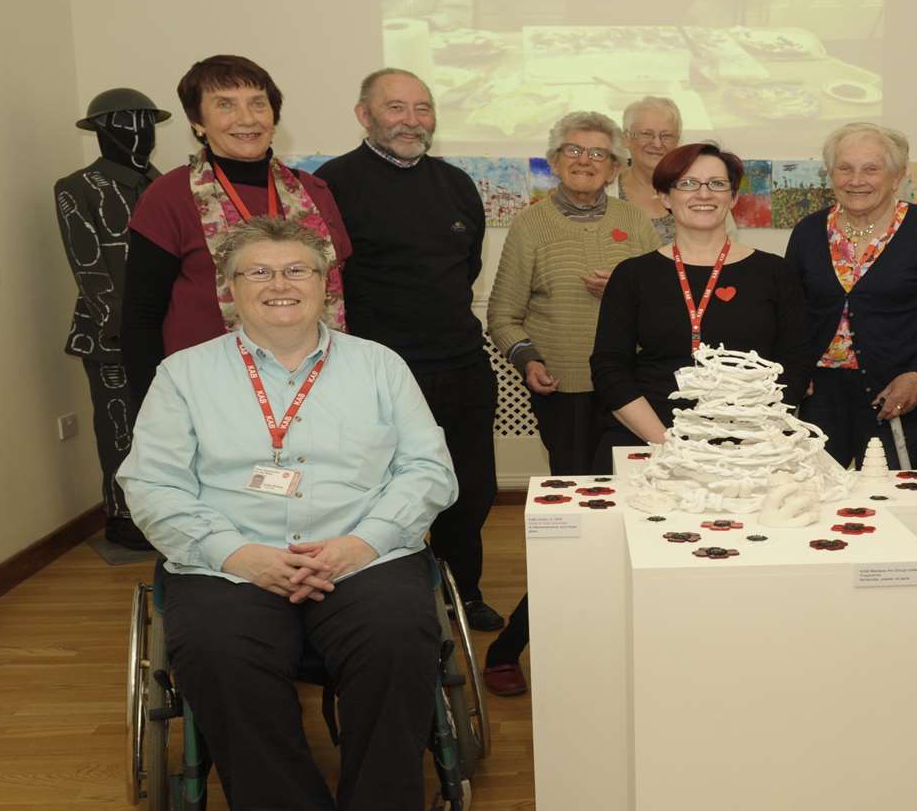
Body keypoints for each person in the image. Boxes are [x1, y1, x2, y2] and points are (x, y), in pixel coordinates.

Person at [117, 216, 458, 811]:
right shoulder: (184, 375)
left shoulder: (378, 366)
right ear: (229, 290)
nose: (280, 285)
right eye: (260, 273)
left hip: (360, 552)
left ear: (325, 283)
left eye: (297, 270)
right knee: (217, 650)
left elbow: (428, 469)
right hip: (230, 558)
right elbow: (151, 485)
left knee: (398, 634)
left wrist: (361, 543)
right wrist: (237, 554)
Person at [316, 69, 504, 635]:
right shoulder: (333, 184)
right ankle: (379, 603)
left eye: (422, 108)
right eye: (396, 107)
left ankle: (460, 593)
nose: (411, 120)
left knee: (469, 492)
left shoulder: (455, 183)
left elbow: (465, 266)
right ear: (363, 114)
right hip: (373, 372)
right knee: (377, 495)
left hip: (461, 364)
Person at [484, 111, 662, 696]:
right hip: (563, 395)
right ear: (555, 161)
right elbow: (503, 315)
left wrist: (629, 292)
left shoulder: (637, 221)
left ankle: (604, 636)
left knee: (631, 516)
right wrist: (527, 359)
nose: (587, 162)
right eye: (573, 152)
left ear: (617, 166)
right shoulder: (532, 225)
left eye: (600, 154)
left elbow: (667, 307)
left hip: (633, 397)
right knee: (579, 520)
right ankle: (515, 644)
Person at [121, 54, 351, 415]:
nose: (247, 119)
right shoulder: (168, 196)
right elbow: (141, 315)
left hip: (315, 387)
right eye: (225, 105)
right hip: (209, 394)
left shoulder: (315, 192)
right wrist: (153, 408)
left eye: (258, 104)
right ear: (197, 121)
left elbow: (340, 286)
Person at [592, 142, 805, 465]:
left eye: (717, 184)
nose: (703, 194)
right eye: (688, 184)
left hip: (754, 441)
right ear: (665, 196)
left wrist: (750, 438)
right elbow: (609, 369)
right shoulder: (633, 275)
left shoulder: (775, 272)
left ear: (733, 197)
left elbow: (795, 366)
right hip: (653, 436)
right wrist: (670, 444)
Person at [791, 122, 917, 470]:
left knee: (890, 501)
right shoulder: (808, 231)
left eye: (871, 168)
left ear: (897, 176)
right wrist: (794, 372)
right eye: (845, 168)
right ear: (831, 173)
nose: (856, 180)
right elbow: (788, 313)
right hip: (819, 395)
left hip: (897, 393)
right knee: (812, 496)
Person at [55, 87, 170, 551]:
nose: (140, 133)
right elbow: (89, 268)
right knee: (119, 424)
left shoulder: (166, 183)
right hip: (112, 335)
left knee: (169, 426)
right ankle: (123, 514)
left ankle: (165, 510)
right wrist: (120, 327)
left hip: (169, 330)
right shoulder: (78, 187)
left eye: (146, 123)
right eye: (126, 124)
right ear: (101, 131)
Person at [616, 96, 684, 245]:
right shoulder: (604, 192)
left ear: (677, 142)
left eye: (666, 136)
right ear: (626, 138)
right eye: (646, 134)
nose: (657, 144)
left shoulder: (700, 189)